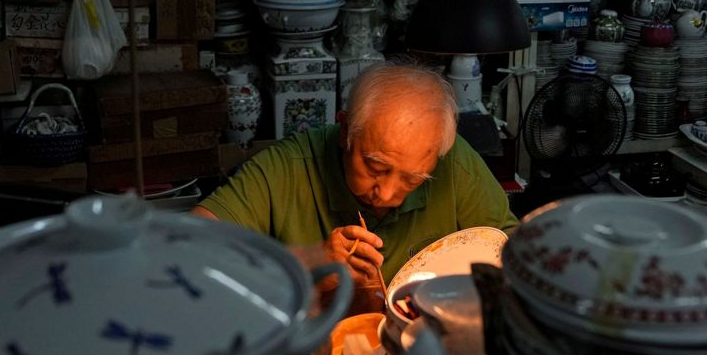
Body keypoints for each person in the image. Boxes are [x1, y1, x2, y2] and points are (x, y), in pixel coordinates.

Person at [192, 62, 518, 286]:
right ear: (345, 129)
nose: (388, 194)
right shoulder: (288, 166)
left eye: (413, 179)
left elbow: (511, 250)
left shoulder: (451, 161)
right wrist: (309, 260)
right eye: (375, 168)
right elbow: (189, 247)